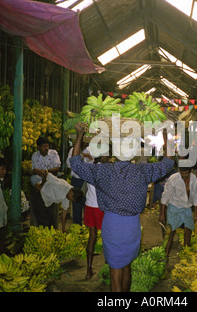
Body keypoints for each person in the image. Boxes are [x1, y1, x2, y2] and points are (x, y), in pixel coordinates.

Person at [69, 123, 174, 292]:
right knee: (126, 267)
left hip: (111, 224)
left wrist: (80, 135)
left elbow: (75, 163)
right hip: (133, 225)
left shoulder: (103, 171)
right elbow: (168, 163)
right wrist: (165, 135)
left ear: (115, 154)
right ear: (132, 153)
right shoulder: (142, 170)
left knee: (115, 271)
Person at [158, 166, 197, 259]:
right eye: (182, 173)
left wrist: (196, 213)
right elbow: (165, 195)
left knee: (188, 231)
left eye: (186, 173)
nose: (184, 176)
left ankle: (186, 253)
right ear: (179, 171)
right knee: (171, 233)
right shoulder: (173, 179)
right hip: (174, 207)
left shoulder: (194, 179)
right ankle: (165, 256)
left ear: (190, 171)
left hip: (187, 207)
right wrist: (162, 213)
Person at [84, 155, 109, 279]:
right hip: (102, 207)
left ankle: (88, 270)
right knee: (106, 237)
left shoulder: (89, 168)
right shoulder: (106, 171)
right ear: (103, 157)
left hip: (89, 205)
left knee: (92, 237)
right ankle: (106, 268)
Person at [31, 137, 61, 228]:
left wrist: (46, 171)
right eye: (44, 146)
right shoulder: (35, 155)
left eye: (47, 146)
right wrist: (41, 172)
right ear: (38, 147)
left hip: (51, 177)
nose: (46, 148)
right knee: (33, 179)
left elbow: (57, 167)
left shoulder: (53, 153)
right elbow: (34, 169)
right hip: (40, 178)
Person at [66, 143, 93, 225]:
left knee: (87, 203)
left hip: (87, 181)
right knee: (76, 204)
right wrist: (80, 157)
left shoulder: (91, 150)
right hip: (76, 180)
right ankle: (77, 226)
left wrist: (89, 157)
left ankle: (88, 227)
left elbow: (94, 164)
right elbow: (68, 164)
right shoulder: (73, 149)